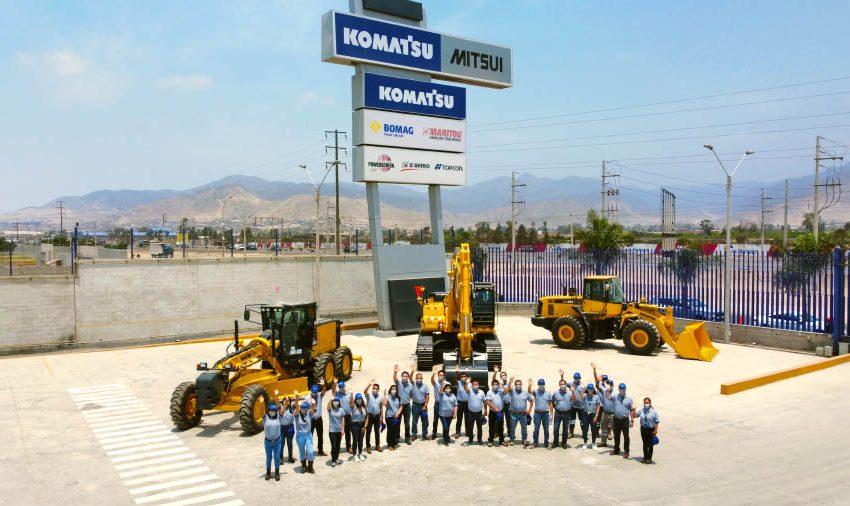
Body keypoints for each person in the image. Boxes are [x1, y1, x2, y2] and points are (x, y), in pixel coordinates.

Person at [608, 383, 635, 459]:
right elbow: (607, 398)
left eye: (623, 389)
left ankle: (626, 452)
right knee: (616, 435)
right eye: (621, 389)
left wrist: (632, 420)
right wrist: (608, 390)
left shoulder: (629, 398)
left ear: (625, 389)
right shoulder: (615, 396)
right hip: (616, 419)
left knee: (626, 436)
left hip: (625, 420)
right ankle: (616, 450)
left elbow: (631, 410)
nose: (622, 391)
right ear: (619, 390)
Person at [506, 377, 533, 448]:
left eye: (519, 384)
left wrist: (529, 410)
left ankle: (524, 439)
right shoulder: (512, 392)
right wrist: (510, 382)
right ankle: (512, 440)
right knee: (512, 427)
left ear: (521, 385)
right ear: (515, 385)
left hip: (523, 414)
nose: (518, 385)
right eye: (517, 384)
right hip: (513, 414)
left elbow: (531, 400)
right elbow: (509, 389)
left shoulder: (525, 392)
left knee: (524, 428)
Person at [591, 362, 614, 447]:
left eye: (605, 380)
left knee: (608, 422)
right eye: (603, 379)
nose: (604, 381)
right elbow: (596, 381)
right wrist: (594, 369)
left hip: (606, 407)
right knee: (598, 420)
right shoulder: (601, 387)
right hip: (599, 405)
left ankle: (609, 433)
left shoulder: (608, 389)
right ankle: (597, 432)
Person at [551, 373, 574, 449]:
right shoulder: (556, 393)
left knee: (565, 429)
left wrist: (573, 392)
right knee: (556, 428)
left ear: (565, 385)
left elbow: (574, 400)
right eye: (561, 384)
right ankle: (555, 442)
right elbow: (552, 401)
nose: (562, 385)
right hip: (558, 413)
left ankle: (564, 443)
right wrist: (555, 408)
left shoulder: (569, 393)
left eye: (563, 384)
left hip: (567, 413)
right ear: (559, 385)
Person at [293, 394, 315, 474]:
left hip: (308, 435)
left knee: (310, 452)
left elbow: (313, 408)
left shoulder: (309, 414)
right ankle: (303, 466)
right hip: (300, 436)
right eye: (302, 408)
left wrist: (313, 403)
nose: (304, 410)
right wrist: (296, 398)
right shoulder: (297, 415)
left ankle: (310, 467)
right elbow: (296, 407)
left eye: (305, 409)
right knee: (302, 451)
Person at [393, 364, 415, 445]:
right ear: (401, 376)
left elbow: (412, 395)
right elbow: (395, 378)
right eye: (403, 376)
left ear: (408, 377)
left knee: (407, 423)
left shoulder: (410, 385)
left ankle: (407, 438)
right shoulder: (398, 383)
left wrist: (410, 399)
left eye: (406, 376)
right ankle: (397, 437)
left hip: (407, 407)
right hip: (399, 406)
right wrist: (395, 372)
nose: (405, 377)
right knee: (397, 422)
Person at [262, 401, 284, 481]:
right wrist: (261, 403)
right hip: (268, 442)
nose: (273, 412)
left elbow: (283, 410)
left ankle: (277, 473)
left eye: (274, 411)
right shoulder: (265, 418)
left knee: (277, 457)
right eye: (271, 411)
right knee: (269, 457)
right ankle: (268, 472)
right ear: (268, 411)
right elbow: (262, 411)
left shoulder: (278, 417)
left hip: (277, 442)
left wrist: (285, 404)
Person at [332, 381, 354, 455]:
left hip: (348, 416)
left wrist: (352, 395)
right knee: (339, 432)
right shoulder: (337, 394)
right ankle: (337, 447)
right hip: (340, 416)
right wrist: (335, 384)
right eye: (340, 387)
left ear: (344, 386)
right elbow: (333, 391)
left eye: (342, 387)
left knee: (348, 432)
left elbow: (352, 404)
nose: (341, 388)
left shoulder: (348, 394)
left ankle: (349, 447)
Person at [484, 378, 506, 447]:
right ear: (492, 385)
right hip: (492, 412)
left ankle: (501, 440)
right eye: (494, 384)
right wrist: (495, 408)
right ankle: (490, 440)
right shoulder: (489, 392)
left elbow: (507, 392)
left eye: (496, 384)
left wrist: (502, 386)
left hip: (500, 412)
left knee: (500, 427)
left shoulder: (501, 391)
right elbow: (487, 401)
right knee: (491, 427)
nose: (495, 386)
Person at [463, 379, 486, 446]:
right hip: (471, 412)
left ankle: (479, 440)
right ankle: (470, 440)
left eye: (476, 384)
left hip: (479, 413)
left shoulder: (481, 392)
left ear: (478, 385)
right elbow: (465, 389)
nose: (475, 385)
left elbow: (484, 401)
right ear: (472, 385)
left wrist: (485, 410)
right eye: (474, 384)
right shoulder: (469, 391)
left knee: (479, 427)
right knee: (470, 427)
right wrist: (466, 383)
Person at [363, 379, 383, 454]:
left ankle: (377, 445)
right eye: (374, 388)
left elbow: (381, 407)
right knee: (368, 432)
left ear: (378, 390)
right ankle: (368, 446)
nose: (375, 390)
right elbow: (364, 391)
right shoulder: (369, 395)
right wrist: (369, 385)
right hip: (370, 416)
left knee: (377, 432)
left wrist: (381, 416)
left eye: (376, 389)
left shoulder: (380, 397)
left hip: (377, 416)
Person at [638, 397, 660, 464]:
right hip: (643, 429)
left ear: (650, 403)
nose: (646, 404)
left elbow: (656, 421)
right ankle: (645, 457)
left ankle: (649, 458)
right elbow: (635, 415)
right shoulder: (641, 410)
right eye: (645, 403)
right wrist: (633, 409)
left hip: (651, 429)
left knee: (650, 444)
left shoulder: (654, 412)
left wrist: (655, 430)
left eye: (647, 403)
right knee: (644, 444)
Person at [531, 378, 552, 448]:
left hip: (546, 413)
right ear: (538, 385)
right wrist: (529, 385)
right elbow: (529, 391)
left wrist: (551, 414)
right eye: (540, 385)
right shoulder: (536, 392)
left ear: (544, 385)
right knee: (536, 429)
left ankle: (546, 443)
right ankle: (535, 442)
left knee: (546, 429)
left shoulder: (548, 393)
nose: (541, 386)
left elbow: (550, 404)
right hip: (537, 413)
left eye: (542, 384)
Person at [410, 370, 430, 441]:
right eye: (417, 378)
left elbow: (427, 396)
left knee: (425, 421)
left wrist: (425, 405)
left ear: (422, 378)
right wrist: (412, 371)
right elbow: (410, 378)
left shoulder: (425, 386)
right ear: (415, 378)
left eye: (420, 378)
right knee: (414, 421)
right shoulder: (413, 384)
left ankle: (425, 434)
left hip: (423, 406)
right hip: (415, 405)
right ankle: (414, 434)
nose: (419, 379)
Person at [309, 380, 327, 457]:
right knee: (309, 436)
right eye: (313, 392)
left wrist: (323, 385)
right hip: (311, 419)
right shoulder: (308, 398)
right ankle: (309, 451)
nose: (315, 394)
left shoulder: (319, 395)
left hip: (319, 419)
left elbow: (324, 391)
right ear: (311, 391)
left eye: (316, 392)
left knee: (320, 435)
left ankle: (320, 450)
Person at [580, 384, 601, 449]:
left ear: (593, 390)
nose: (590, 390)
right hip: (585, 414)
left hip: (593, 414)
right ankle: (585, 443)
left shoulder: (596, 397)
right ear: (587, 390)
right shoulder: (585, 395)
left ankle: (593, 443)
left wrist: (596, 415)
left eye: (591, 389)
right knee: (585, 429)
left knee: (594, 429)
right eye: (589, 389)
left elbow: (598, 407)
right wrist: (583, 390)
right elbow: (581, 398)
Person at [326, 396, 345, 467]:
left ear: (339, 402)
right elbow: (327, 407)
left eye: (337, 401)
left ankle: (336, 458)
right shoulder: (330, 409)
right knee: (333, 446)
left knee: (338, 446)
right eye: (334, 401)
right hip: (332, 431)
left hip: (339, 430)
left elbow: (343, 419)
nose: (335, 402)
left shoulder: (341, 409)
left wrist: (343, 429)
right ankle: (333, 460)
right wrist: (330, 400)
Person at [384, 384, 403, 450]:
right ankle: (389, 444)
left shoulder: (398, 398)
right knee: (390, 430)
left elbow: (401, 406)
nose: (394, 390)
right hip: (389, 416)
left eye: (395, 389)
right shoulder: (387, 397)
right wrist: (385, 395)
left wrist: (398, 413)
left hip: (396, 416)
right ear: (390, 390)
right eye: (392, 389)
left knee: (395, 430)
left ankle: (394, 443)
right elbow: (384, 404)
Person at [350, 393, 368, 462]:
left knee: (361, 440)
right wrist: (351, 395)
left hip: (362, 425)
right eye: (357, 399)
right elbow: (351, 402)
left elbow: (367, 417)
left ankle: (360, 453)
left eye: (360, 399)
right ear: (355, 400)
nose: (359, 400)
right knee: (355, 440)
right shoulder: (353, 406)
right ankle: (354, 454)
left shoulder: (364, 407)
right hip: (355, 425)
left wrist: (365, 426)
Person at [431, 370, 448, 438]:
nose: (441, 376)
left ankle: (445, 434)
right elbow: (432, 380)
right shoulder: (436, 383)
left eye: (442, 375)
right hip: (437, 404)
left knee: (444, 420)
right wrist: (433, 374)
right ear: (438, 376)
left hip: (444, 404)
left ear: (444, 376)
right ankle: (434, 433)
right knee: (435, 420)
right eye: (440, 375)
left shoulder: (447, 383)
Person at [568, 372, 583, 439]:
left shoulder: (582, 385)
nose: (576, 379)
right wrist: (562, 376)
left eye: (578, 378)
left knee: (582, 421)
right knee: (572, 420)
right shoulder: (571, 383)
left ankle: (584, 433)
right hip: (573, 406)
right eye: (575, 378)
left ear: (580, 378)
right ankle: (571, 433)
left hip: (581, 406)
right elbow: (563, 383)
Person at [454, 372, 469, 438]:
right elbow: (455, 379)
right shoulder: (458, 383)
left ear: (466, 377)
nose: (463, 378)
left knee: (467, 419)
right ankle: (458, 432)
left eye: (464, 376)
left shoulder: (469, 384)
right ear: (460, 378)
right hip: (460, 403)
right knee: (459, 419)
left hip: (467, 403)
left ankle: (468, 432)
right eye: (462, 377)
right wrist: (456, 372)